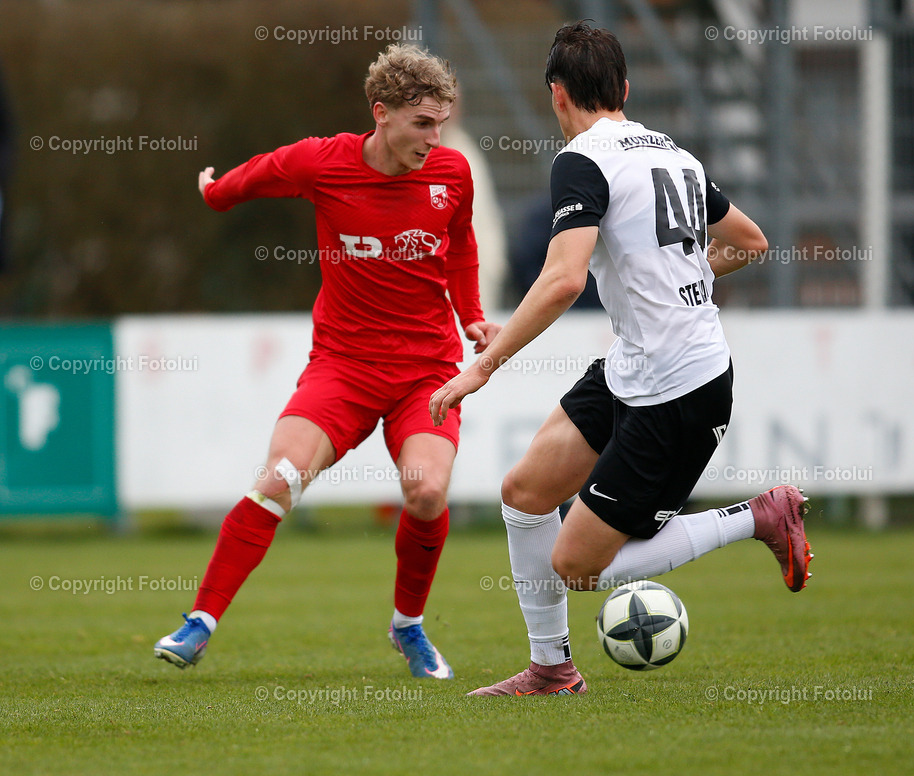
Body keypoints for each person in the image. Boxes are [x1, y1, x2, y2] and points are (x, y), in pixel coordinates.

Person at [429, 22, 812, 696]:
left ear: (556, 95)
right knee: (524, 495)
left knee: (576, 566)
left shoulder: (581, 159)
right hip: (635, 366)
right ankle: (551, 669)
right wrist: (681, 280)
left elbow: (563, 279)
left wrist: (482, 366)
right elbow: (751, 240)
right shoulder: (675, 155)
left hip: (680, 389)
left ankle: (757, 517)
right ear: (625, 89)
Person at [154, 44, 500, 679]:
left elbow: (459, 245)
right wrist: (216, 195)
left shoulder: (451, 173)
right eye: (422, 123)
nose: (434, 137)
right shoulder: (325, 162)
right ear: (382, 113)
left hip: (425, 370)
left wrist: (471, 312)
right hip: (342, 365)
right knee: (279, 480)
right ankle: (198, 623)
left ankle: (408, 627)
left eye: (441, 123)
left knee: (426, 492)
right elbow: (260, 172)